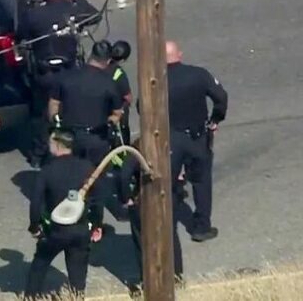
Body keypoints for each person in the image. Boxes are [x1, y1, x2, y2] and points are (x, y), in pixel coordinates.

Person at [18, 0, 100, 167]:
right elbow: (95, 15)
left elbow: (21, 34)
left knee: (41, 114)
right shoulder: (74, 11)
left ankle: (39, 155)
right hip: (69, 73)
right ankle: (69, 150)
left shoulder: (34, 14)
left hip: (43, 74)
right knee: (70, 111)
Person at [24, 130, 104, 299]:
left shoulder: (47, 170)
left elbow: (36, 202)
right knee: (78, 273)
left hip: (55, 230)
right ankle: (76, 296)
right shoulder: (87, 167)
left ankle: (31, 296)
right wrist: (97, 224)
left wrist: (35, 226)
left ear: (58, 145)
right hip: (80, 228)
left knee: (40, 264)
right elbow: (97, 200)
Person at [165, 40, 228, 242]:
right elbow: (221, 97)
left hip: (169, 138)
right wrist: (215, 119)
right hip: (197, 136)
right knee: (201, 182)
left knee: (166, 183)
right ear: (179, 55)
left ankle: (165, 227)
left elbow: (142, 107)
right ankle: (201, 227)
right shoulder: (198, 74)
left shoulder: (156, 79)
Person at [118, 138, 184, 295]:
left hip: (143, 202)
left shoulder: (138, 152)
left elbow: (124, 175)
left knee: (142, 242)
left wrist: (127, 198)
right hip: (168, 199)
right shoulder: (169, 147)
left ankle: (147, 280)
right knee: (170, 236)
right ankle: (176, 276)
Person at [48, 40, 125, 168]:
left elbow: (53, 103)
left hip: (68, 137)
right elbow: (117, 113)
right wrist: (110, 123)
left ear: (90, 55)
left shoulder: (67, 76)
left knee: (69, 171)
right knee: (95, 173)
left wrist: (56, 123)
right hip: (96, 139)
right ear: (108, 61)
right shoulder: (110, 83)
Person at [109, 40, 134, 145]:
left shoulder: (102, 66)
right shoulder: (119, 73)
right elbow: (127, 96)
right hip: (115, 107)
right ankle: (125, 144)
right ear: (123, 59)